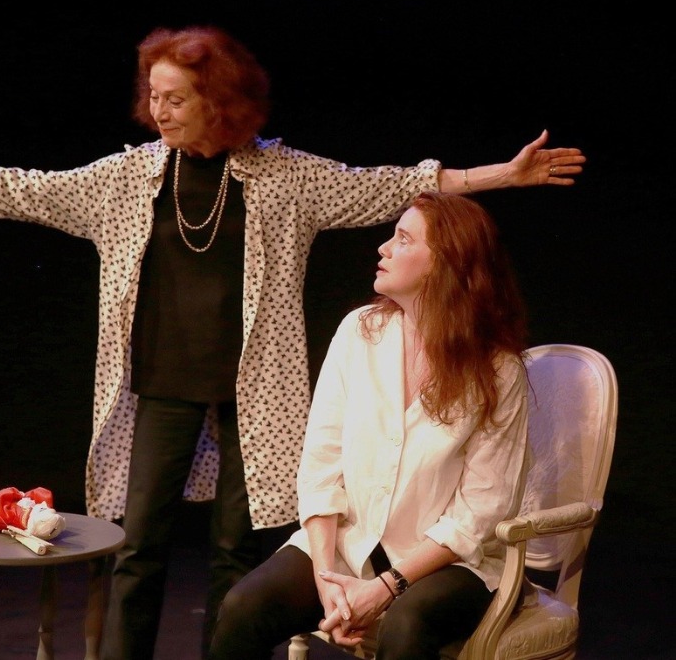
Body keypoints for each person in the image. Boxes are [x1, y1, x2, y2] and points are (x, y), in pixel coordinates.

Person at [0, 25, 581, 660]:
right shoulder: (128, 178)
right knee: (135, 547)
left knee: (235, 553)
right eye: (153, 96)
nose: (158, 110)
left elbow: (387, 185)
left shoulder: (284, 177)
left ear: (217, 102)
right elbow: (28, 187)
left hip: (254, 393)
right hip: (159, 384)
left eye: (176, 98)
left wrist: (503, 176)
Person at [208, 191, 530, 660]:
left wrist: (385, 587)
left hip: (450, 563)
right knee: (244, 607)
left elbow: (478, 513)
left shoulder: (498, 372)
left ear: (445, 264)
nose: (383, 248)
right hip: (348, 546)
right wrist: (325, 579)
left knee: (407, 621)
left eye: (403, 239)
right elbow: (321, 466)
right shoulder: (360, 332)